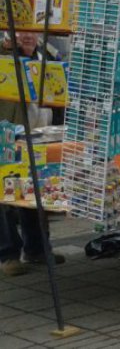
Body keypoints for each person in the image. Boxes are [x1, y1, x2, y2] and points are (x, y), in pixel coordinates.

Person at [0, 32, 65, 277]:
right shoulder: (4, 56)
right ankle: (8, 254)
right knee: (7, 197)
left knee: (36, 193)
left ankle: (37, 249)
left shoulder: (46, 55)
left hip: (41, 135)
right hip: (8, 136)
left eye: (31, 31)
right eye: (21, 31)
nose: (27, 36)